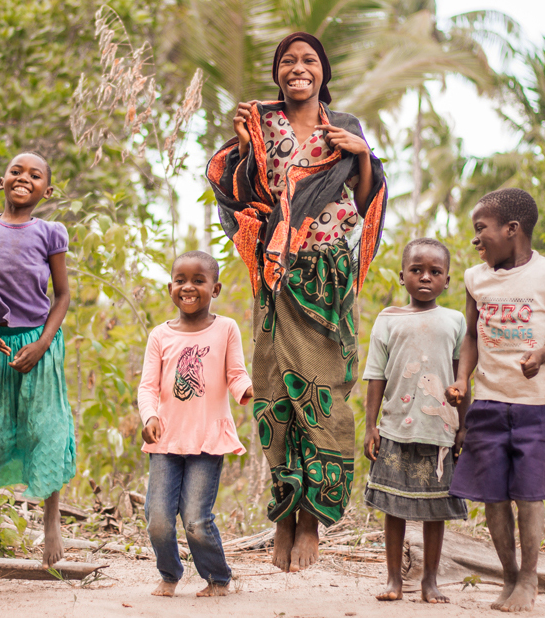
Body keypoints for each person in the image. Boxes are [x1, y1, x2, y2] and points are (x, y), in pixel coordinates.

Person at [205, 31, 388, 572]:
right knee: (274, 395)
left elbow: (365, 201)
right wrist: (242, 147)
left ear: (323, 72)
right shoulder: (260, 128)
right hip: (278, 277)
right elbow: (241, 196)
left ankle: (312, 525)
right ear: (277, 72)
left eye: (308, 60)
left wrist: (364, 159)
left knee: (324, 396)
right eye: (288, 61)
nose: (298, 68)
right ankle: (283, 517)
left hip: (329, 279)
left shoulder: (346, 129)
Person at [445, 188, 545, 613]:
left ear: (512, 229)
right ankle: (510, 575)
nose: (476, 240)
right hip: (490, 401)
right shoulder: (475, 277)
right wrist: (462, 378)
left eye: (482, 229)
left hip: (539, 402)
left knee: (529, 495)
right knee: (493, 495)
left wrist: (542, 355)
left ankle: (530, 578)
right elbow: (471, 334)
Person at [0, 152, 75, 581]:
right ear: (2, 180)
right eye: (16, 171)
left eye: (35, 174)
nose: (24, 178)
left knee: (46, 428)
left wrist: (43, 343)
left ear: (47, 189)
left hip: (38, 344)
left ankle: (51, 524)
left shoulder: (50, 233)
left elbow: (61, 296)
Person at [137, 251, 253, 598]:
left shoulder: (226, 328)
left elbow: (235, 374)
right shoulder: (160, 335)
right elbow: (148, 387)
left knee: (196, 520)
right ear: (170, 287)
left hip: (207, 440)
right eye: (180, 280)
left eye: (198, 281)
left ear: (214, 288)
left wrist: (248, 390)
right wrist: (150, 417)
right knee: (158, 518)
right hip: (166, 441)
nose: (188, 287)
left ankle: (218, 578)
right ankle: (169, 573)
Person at [362, 238, 468, 604]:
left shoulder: (455, 321)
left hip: (439, 431)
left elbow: (461, 377)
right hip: (395, 427)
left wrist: (463, 427)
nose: (425, 277)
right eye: (416, 270)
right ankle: (394, 579)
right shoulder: (388, 318)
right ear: (403, 276)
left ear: (447, 280)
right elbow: (375, 374)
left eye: (435, 272)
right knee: (393, 508)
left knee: (435, 509)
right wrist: (370, 425)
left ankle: (430, 582)